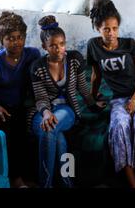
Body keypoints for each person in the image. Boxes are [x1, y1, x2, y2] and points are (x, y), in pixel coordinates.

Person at [87, 0, 135, 188]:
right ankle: (133, 184)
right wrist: (93, 97)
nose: (111, 33)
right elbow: (95, 75)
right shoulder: (93, 46)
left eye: (115, 28)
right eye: (106, 29)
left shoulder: (129, 45)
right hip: (119, 98)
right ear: (97, 29)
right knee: (118, 127)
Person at [29, 16, 103, 188]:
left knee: (50, 129)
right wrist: (46, 112)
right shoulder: (37, 67)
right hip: (42, 112)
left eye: (62, 44)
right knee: (54, 134)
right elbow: (40, 99)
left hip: (66, 110)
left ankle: (45, 185)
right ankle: (65, 183)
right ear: (44, 47)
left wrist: (92, 104)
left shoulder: (74, 59)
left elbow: (83, 88)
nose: (59, 49)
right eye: (53, 45)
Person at [0, 12, 40, 188]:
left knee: (24, 133)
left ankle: (23, 178)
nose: (16, 42)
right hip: (0, 109)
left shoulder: (32, 55)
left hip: (20, 107)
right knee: (8, 135)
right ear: (1, 40)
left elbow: (41, 77)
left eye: (20, 37)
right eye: (10, 38)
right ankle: (15, 180)